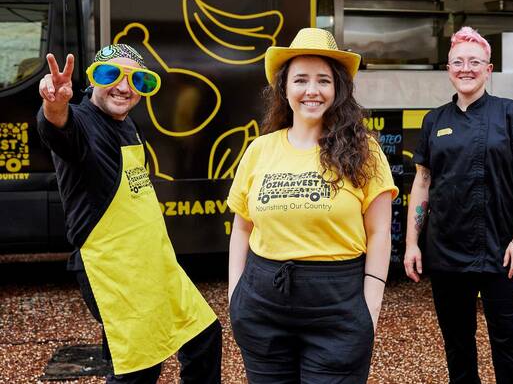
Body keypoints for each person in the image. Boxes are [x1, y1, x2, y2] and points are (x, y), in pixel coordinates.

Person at [37, 45, 221, 383]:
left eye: (136, 80)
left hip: (155, 263)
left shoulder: (124, 122)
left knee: (204, 335)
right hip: (114, 269)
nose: (124, 87)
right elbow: (58, 128)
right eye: (111, 75)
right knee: (139, 366)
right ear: (92, 81)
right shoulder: (82, 122)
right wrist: (54, 104)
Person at [226, 28, 397, 384]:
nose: (311, 90)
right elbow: (242, 227)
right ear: (284, 89)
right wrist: (234, 299)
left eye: (323, 80)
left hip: (337, 305)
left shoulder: (365, 152)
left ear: (337, 90)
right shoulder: (261, 150)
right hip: (261, 305)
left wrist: (371, 309)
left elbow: (380, 233)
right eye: (300, 79)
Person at [403, 26, 513, 384]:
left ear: (489, 69)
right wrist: (411, 245)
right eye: (458, 62)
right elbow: (422, 182)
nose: (466, 68)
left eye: (475, 61)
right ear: (448, 69)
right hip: (447, 251)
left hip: (502, 252)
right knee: (457, 345)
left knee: (509, 343)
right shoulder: (434, 121)